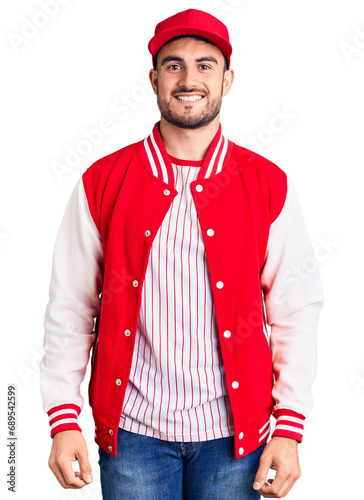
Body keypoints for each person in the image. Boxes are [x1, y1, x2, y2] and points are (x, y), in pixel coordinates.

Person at [39, 8, 324, 499]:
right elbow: (71, 307)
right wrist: (63, 418)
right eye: (174, 65)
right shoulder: (102, 181)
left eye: (205, 65)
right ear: (153, 78)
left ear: (227, 79)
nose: (189, 79)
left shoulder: (267, 184)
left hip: (235, 438)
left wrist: (289, 426)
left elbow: (295, 311)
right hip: (132, 435)